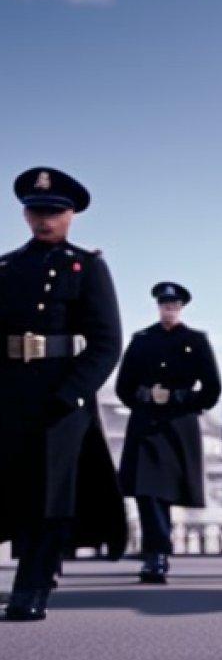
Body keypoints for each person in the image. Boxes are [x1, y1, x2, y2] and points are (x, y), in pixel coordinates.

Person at [0, 167, 126, 621]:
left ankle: (30, 587)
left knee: (48, 494)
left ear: (71, 215)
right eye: (36, 210)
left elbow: (107, 341)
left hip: (61, 397)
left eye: (53, 211)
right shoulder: (6, 267)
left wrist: (73, 392)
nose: (43, 219)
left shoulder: (87, 266)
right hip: (10, 394)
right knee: (11, 487)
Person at [116, 282, 222, 582]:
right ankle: (156, 554)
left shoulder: (195, 341)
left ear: (181, 308)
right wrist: (145, 398)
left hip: (178, 426)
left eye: (174, 305)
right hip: (146, 425)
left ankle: (159, 548)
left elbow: (212, 389)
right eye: (165, 305)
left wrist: (178, 398)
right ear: (158, 306)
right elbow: (124, 385)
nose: (169, 310)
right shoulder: (142, 340)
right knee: (146, 491)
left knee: (164, 492)